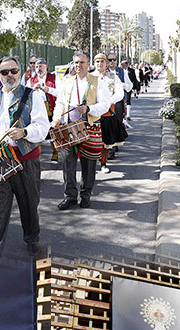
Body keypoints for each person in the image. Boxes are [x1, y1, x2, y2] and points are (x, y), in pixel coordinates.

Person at [0, 54, 50, 256]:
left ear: (20, 72)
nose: (9, 75)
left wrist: (24, 132)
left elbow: (43, 127)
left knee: (28, 204)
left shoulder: (32, 95)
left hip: (25, 159)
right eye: (4, 72)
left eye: (13, 71)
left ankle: (32, 239)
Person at [52, 50, 111, 212]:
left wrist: (89, 108)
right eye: (76, 62)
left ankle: (86, 195)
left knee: (89, 162)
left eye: (82, 62)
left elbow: (105, 104)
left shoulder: (98, 81)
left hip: (90, 126)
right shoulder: (67, 81)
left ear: (88, 64)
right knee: (67, 163)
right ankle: (70, 195)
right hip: (69, 127)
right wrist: (57, 118)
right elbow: (60, 103)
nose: (78, 65)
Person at [93, 53, 126, 174]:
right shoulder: (89, 76)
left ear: (105, 63)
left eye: (102, 61)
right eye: (97, 61)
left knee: (106, 141)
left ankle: (103, 163)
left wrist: (108, 102)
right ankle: (91, 164)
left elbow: (119, 93)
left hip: (107, 113)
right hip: (93, 113)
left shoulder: (113, 77)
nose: (99, 64)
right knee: (91, 140)